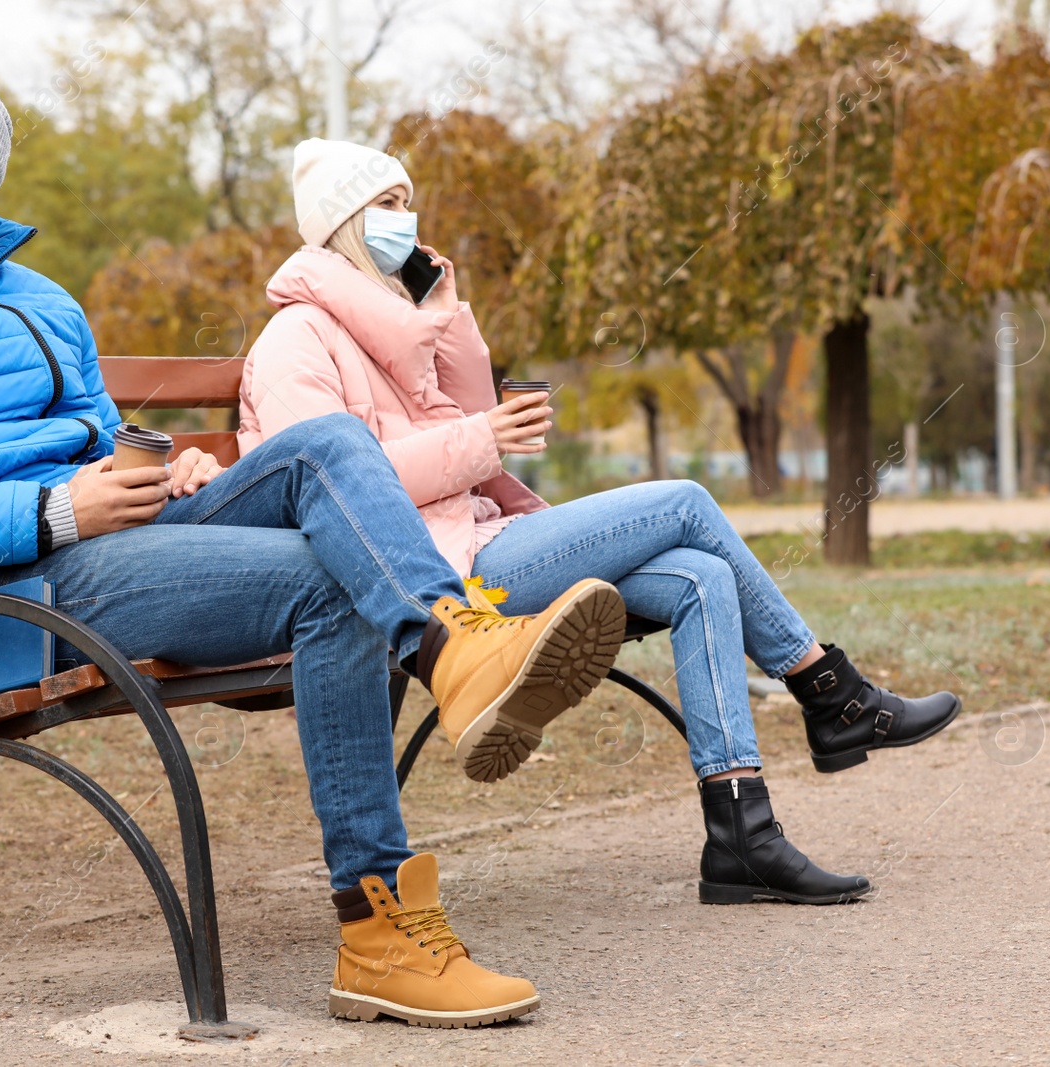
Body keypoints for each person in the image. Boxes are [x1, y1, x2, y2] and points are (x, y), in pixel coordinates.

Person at [0, 64, 626, 1029]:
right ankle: (380, 927)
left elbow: (98, 439)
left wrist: (161, 467)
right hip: (1, 590)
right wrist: (59, 512)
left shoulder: (42, 298)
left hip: (107, 537)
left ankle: (452, 644)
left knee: (329, 445)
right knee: (329, 583)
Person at [239, 138, 965, 908]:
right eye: (387, 206)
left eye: (407, 203)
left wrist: (445, 320)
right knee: (685, 501)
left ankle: (742, 834)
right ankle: (831, 693)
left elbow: (471, 402)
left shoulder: (394, 325)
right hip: (435, 578)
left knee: (702, 575)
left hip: (482, 536)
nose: (409, 221)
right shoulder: (295, 341)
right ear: (345, 222)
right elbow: (344, 493)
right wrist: (482, 437)